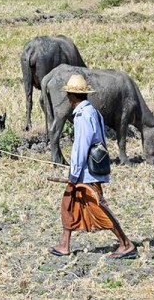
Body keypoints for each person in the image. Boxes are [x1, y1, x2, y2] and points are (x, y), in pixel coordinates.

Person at [49, 74, 137, 259]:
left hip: (86, 173)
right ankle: (65, 244)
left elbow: (82, 146)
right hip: (88, 170)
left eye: (68, 94)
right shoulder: (92, 112)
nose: (67, 98)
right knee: (68, 203)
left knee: (99, 208)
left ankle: (126, 244)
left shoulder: (83, 115)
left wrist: (74, 175)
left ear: (72, 96)